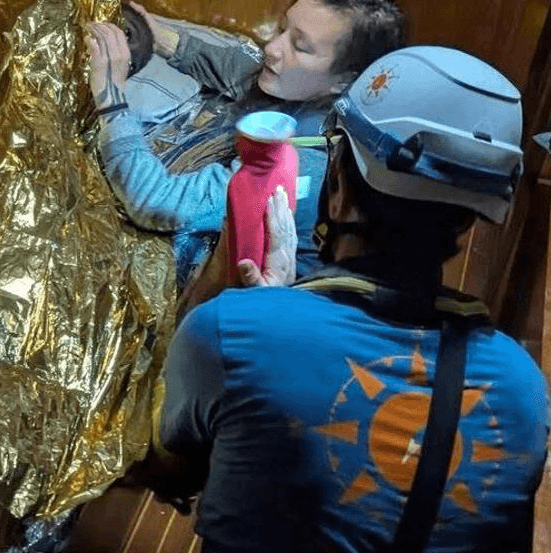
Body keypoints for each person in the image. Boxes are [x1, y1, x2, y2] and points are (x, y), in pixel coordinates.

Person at [152, 46, 550, 552]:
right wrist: (281, 311)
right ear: (472, 215)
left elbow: (172, 470)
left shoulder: (231, 331)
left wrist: (247, 298)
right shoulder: (521, 385)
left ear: (338, 186)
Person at [86, 0, 405, 288]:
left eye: (299, 46)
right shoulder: (319, 95)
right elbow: (242, 69)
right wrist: (156, 36)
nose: (272, 48)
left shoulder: (298, 165)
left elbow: (154, 201)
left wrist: (111, 99)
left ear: (344, 80)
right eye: (282, 29)